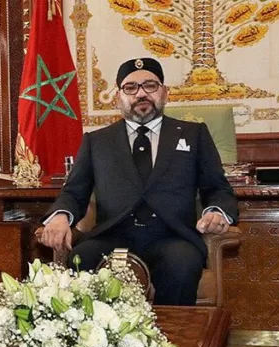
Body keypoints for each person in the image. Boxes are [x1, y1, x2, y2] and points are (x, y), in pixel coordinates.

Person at [39, 57, 238, 306]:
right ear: (118, 97)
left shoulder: (194, 134)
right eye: (131, 87)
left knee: (182, 264)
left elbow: (217, 187)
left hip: (172, 236)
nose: (141, 93)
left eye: (150, 85)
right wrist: (60, 216)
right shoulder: (97, 141)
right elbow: (74, 191)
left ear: (165, 93)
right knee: (82, 259)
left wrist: (216, 212)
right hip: (112, 235)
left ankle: (174, 330)